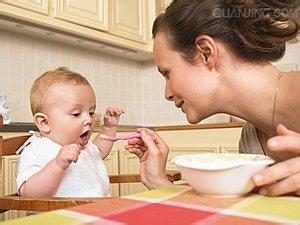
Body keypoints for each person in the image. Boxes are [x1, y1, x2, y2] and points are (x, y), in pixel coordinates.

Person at [125, 0, 300, 196]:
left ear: (206, 52)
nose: (167, 94)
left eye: (167, 73)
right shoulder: (251, 138)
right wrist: (157, 181)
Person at [16, 67, 124, 198]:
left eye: (91, 112)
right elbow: (29, 194)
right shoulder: (36, 150)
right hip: (57, 217)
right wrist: (57, 165)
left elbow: (100, 150)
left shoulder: (85, 147)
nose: (89, 120)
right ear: (44, 123)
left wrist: (109, 127)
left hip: (97, 213)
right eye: (76, 114)